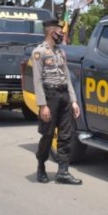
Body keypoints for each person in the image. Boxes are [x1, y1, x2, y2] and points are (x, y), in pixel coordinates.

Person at [31, 17, 82, 185]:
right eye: (60, 32)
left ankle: (63, 171)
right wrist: (42, 105)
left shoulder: (61, 52)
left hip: (64, 97)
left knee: (66, 134)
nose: (62, 34)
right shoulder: (39, 52)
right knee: (47, 134)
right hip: (50, 97)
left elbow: (66, 77)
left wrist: (73, 101)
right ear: (52, 32)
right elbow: (37, 80)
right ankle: (41, 167)